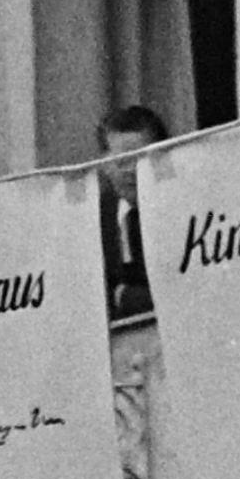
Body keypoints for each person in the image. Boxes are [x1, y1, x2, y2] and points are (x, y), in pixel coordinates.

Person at [94, 104, 170, 322]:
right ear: (104, 165)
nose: (132, 171)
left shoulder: (182, 211)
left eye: (142, 159)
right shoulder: (92, 220)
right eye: (122, 162)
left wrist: (124, 296)